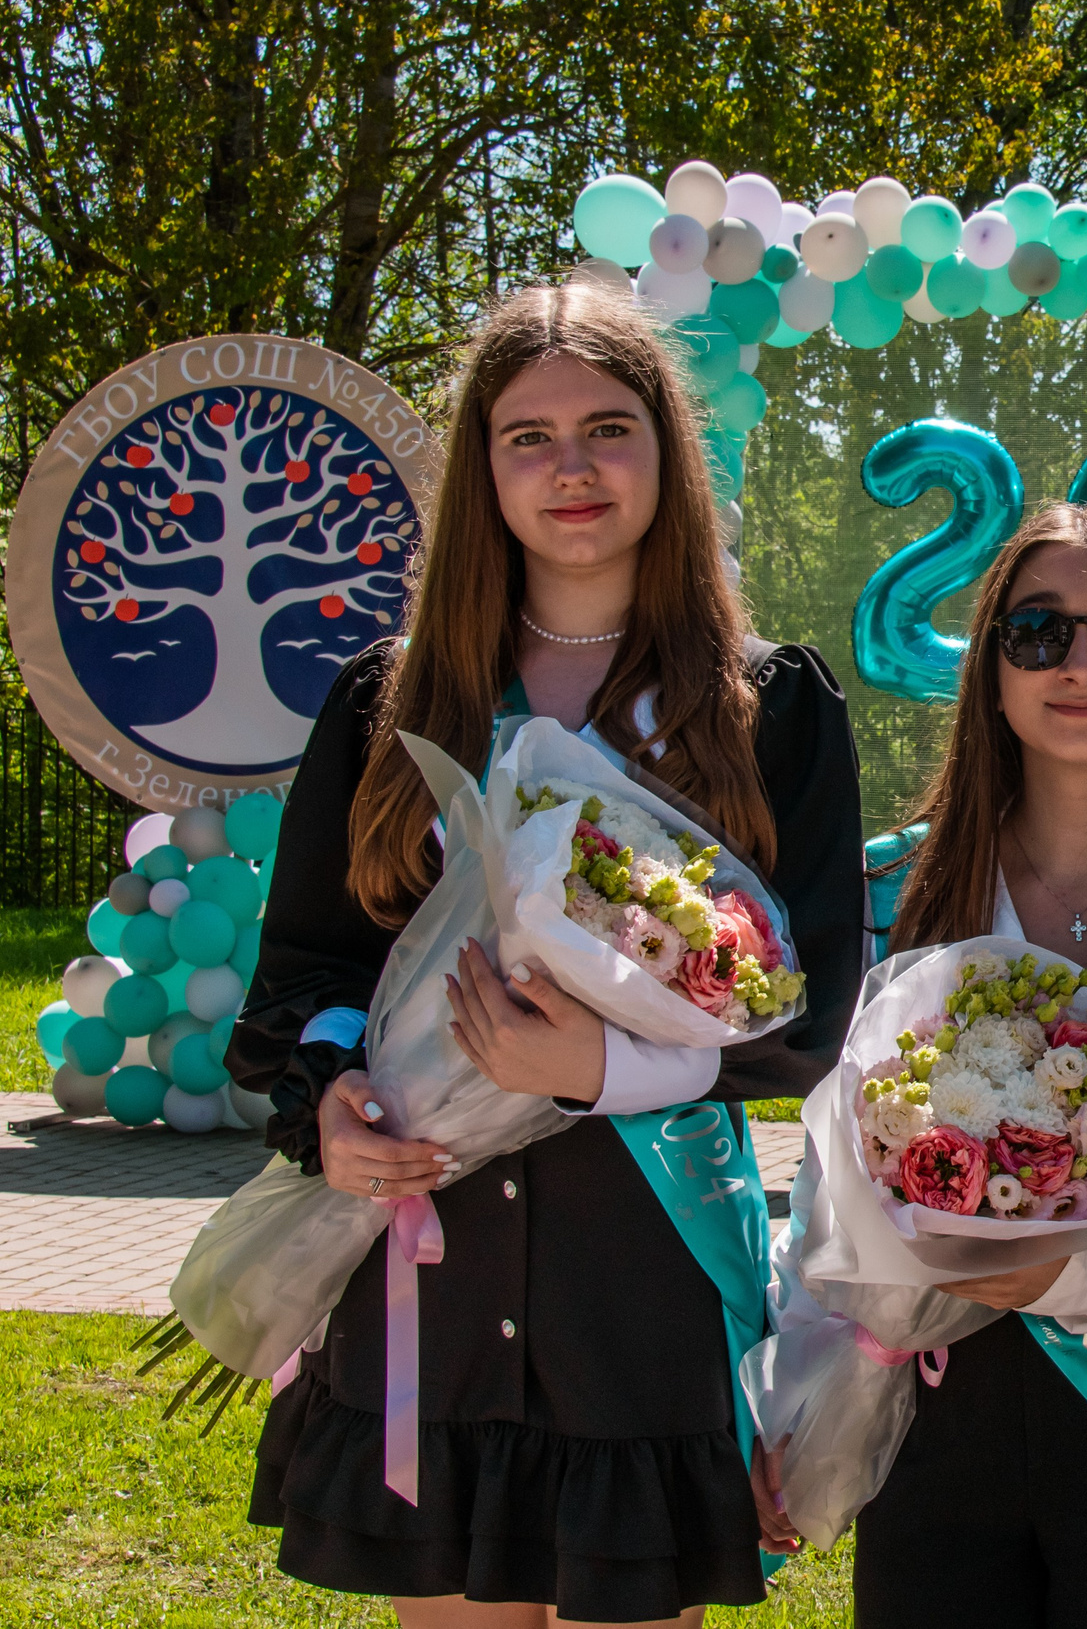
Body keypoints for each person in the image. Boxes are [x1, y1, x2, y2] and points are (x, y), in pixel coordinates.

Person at [227, 281, 866, 1627]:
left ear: (666, 453)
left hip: (639, 1288)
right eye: (529, 435)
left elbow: (813, 1018)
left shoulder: (771, 711)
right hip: (432, 1281)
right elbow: (303, 977)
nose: (572, 465)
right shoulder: (391, 703)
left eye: (609, 427)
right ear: (484, 469)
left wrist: (602, 1061)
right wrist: (334, 1093)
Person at [766, 502, 1087, 1629]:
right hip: (935, 1413)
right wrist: (795, 1403)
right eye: (1039, 633)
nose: (1084, 664)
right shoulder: (893, 892)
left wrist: (1068, 1282)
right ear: (991, 671)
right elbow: (828, 1187)